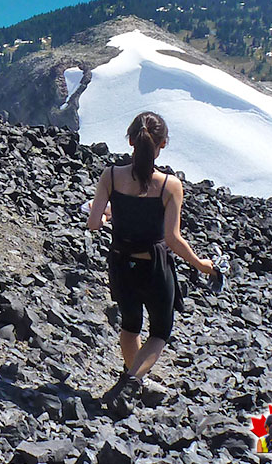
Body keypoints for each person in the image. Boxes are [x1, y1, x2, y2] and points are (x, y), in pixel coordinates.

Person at [87, 111, 214, 389]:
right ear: (163, 144)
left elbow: (94, 224)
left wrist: (110, 213)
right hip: (154, 268)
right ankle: (132, 380)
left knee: (131, 325)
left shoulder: (110, 175)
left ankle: (131, 377)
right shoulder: (170, 185)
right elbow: (172, 239)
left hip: (121, 263)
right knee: (159, 331)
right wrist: (200, 264)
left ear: (131, 140)